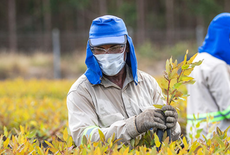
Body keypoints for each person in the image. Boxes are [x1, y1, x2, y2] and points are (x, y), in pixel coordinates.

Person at [67, 15, 180, 146]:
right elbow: (83, 139)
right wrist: (134, 125)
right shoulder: (81, 92)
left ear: (126, 46)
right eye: (99, 49)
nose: (107, 55)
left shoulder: (148, 83)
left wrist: (173, 127)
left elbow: (168, 140)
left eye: (115, 48)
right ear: (91, 50)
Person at [186, 13, 230, 140]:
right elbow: (229, 110)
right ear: (222, 35)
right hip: (217, 140)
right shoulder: (217, 66)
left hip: (197, 137)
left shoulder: (197, 60)